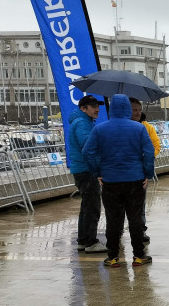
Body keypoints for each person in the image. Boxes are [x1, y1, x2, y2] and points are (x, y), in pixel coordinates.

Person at [82, 94, 155, 268]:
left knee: (113, 220)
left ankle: (113, 257)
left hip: (110, 181)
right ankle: (138, 256)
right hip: (135, 180)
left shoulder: (100, 129)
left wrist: (97, 171)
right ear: (128, 109)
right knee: (135, 219)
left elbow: (87, 152)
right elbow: (149, 153)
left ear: (111, 108)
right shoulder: (138, 128)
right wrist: (148, 174)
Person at [67, 95, 106, 253]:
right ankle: (91, 242)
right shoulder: (83, 123)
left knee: (86, 206)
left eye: (97, 105)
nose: (97, 109)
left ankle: (83, 240)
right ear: (83, 108)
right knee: (92, 206)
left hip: (82, 169)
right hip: (86, 169)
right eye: (92, 106)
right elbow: (88, 147)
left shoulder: (84, 122)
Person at [130, 98, 161, 244]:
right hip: (122, 172)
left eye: (139, 110)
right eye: (134, 110)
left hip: (140, 171)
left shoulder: (147, 127)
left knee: (140, 203)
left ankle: (140, 230)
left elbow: (156, 145)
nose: (137, 113)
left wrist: (146, 159)